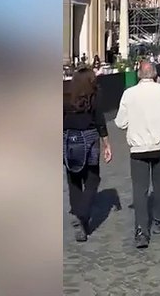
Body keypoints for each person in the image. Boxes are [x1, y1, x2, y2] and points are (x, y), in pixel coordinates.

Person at [113, 61, 160, 248]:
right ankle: (159, 220)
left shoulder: (129, 94)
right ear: (154, 74)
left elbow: (120, 122)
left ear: (139, 74)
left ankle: (142, 231)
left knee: (140, 189)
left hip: (138, 149)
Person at [64, 67, 112, 242]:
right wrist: (106, 143)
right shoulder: (94, 95)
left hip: (68, 139)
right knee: (92, 178)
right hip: (89, 138)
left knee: (73, 179)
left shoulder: (66, 96)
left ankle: (79, 220)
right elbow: (100, 121)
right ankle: (82, 214)